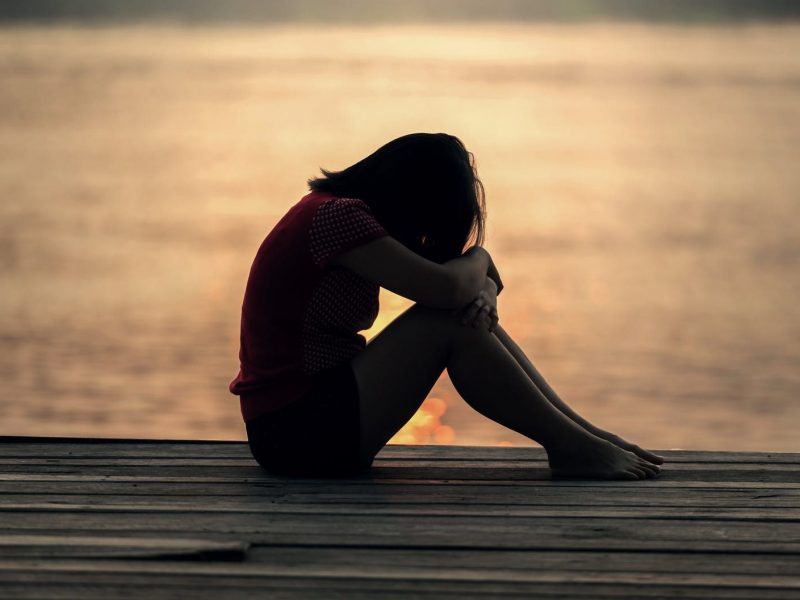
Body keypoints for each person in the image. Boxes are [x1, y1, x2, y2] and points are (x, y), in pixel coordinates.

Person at [229, 132, 664, 479]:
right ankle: (573, 446)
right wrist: (482, 258)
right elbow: (448, 288)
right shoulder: (337, 218)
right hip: (295, 432)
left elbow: (462, 288)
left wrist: (485, 289)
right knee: (446, 321)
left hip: (308, 423)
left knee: (457, 316)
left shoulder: (336, 215)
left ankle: (583, 437)